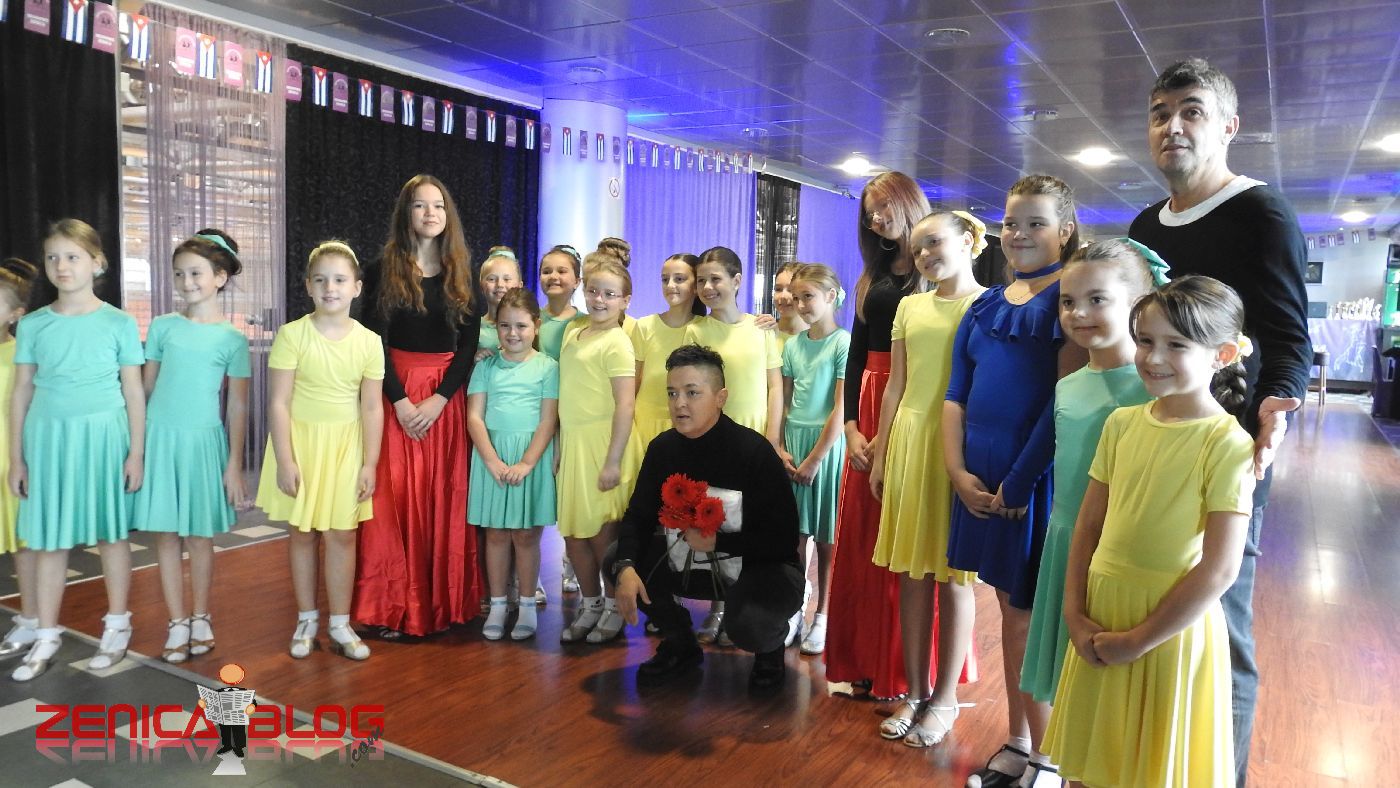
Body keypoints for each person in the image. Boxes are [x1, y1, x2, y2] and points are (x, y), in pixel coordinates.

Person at [1127, 59, 1309, 784]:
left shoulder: (1262, 213)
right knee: (1150, 598)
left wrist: (1276, 402)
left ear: (1229, 126)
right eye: (1160, 112)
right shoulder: (1146, 225)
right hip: (1151, 438)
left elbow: (1287, 335)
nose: (1172, 125)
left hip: (1227, 446)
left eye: (1191, 111)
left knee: (1222, 614)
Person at [1045, 276, 1257, 787]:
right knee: (1089, 763)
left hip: (1168, 626)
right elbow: (1088, 525)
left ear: (1222, 354)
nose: (1153, 357)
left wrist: (1138, 640)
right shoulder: (1120, 424)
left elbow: (1220, 569)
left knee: (1152, 766)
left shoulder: (1227, 444)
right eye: (1145, 340)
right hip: (1102, 611)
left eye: (1176, 345)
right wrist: (1074, 611)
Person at [943, 175, 1081, 782]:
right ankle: (1021, 741)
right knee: (1006, 607)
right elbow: (956, 394)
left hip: (1032, 477)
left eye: (1035, 223)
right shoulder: (985, 305)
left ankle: (1048, 758)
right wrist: (956, 471)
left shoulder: (1071, 300)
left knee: (1029, 614)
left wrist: (1020, 482)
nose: (1019, 234)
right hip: (978, 474)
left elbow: (1063, 403)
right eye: (1010, 223)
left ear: (1065, 231)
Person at [1021, 239, 1162, 707]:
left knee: (1111, 689)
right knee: (1064, 680)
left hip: (1123, 549)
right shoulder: (1068, 386)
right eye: (1068, 301)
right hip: (1067, 539)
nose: (1078, 313)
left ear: (1138, 304)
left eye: (1097, 299)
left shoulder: (1153, 390)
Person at [612, 344, 803, 689]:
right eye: (672, 393)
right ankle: (680, 643)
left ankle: (769, 647)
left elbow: (783, 539)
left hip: (760, 567)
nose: (679, 403)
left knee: (749, 623)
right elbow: (638, 515)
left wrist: (721, 541)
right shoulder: (662, 449)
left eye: (692, 392)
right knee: (617, 559)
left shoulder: (753, 451)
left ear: (720, 397)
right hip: (690, 560)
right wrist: (625, 565)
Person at [867, 211, 985, 746]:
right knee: (912, 573)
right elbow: (896, 385)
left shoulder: (988, 305)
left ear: (967, 241)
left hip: (962, 443)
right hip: (912, 441)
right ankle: (914, 692)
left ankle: (945, 698)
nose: (924, 256)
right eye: (917, 249)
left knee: (954, 577)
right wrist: (882, 453)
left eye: (934, 242)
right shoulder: (910, 306)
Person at [9, 220, 145, 681]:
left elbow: (133, 391)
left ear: (96, 262)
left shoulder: (119, 322)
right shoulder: (34, 324)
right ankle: (46, 633)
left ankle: (118, 625)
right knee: (49, 537)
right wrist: (17, 458)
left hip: (105, 437)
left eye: (72, 256)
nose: (61, 266)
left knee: (111, 534)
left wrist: (136, 453)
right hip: (48, 438)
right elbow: (22, 391)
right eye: (53, 257)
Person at [353, 175, 482, 639]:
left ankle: (441, 606)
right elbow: (373, 343)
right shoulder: (381, 270)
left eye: (438, 206)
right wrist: (402, 401)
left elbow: (467, 346)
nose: (430, 213)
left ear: (448, 216)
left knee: (443, 500)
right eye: (420, 205)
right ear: (405, 213)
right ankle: (393, 607)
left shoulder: (461, 272)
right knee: (396, 502)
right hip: (396, 397)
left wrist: (440, 399)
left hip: (443, 402)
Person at [825, 170, 930, 699]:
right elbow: (856, 359)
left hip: (914, 403)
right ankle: (865, 659)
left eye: (884, 207)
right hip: (868, 404)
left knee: (904, 538)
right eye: (870, 213)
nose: (877, 219)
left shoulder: (933, 275)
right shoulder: (872, 278)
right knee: (863, 539)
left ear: (908, 204)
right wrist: (849, 426)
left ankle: (904, 669)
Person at [256, 241, 384, 661]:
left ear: (356, 288)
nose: (331, 288)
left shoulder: (369, 341)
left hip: (346, 447)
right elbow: (278, 402)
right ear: (309, 286)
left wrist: (370, 463)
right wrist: (286, 459)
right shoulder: (292, 335)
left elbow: (371, 406)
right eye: (321, 280)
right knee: (303, 532)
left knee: (342, 534)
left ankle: (340, 622)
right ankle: (306, 619)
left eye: (340, 280)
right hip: (301, 445)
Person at [132, 230, 251, 664]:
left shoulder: (232, 339)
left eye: (196, 273)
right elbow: (145, 389)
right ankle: (176, 621)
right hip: (161, 440)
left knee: (200, 537)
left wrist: (233, 463)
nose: (186, 281)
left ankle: (201, 616)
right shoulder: (162, 326)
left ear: (220, 277)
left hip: (203, 444)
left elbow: (237, 405)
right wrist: (135, 447)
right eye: (179, 273)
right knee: (165, 536)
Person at [684, 246, 783, 644]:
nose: (708, 287)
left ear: (737, 281)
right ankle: (718, 605)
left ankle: (746, 606)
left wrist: (771, 439)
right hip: (715, 440)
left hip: (755, 438)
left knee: (752, 526)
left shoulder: (761, 329)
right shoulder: (696, 330)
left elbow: (775, 388)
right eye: (702, 281)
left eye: (716, 279)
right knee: (717, 524)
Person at [467, 289, 558, 641]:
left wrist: (526, 462)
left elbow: (548, 420)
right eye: (505, 326)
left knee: (526, 534)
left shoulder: (548, 367)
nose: (513, 333)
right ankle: (498, 604)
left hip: (529, 458)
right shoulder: (486, 367)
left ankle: (528, 605)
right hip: (492, 457)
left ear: (536, 325)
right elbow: (474, 417)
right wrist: (491, 459)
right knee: (496, 534)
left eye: (521, 326)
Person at [556, 258, 637, 644]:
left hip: (604, 445)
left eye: (609, 294)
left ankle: (613, 606)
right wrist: (559, 444)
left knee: (603, 536)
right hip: (574, 445)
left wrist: (613, 461)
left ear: (625, 301)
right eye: (593, 291)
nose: (599, 299)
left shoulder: (618, 342)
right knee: (573, 534)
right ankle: (589, 603)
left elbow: (625, 404)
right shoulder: (573, 333)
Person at [777, 264, 848, 655]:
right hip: (795, 442)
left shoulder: (842, 343)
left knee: (825, 535)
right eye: (797, 297)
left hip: (826, 447)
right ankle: (793, 609)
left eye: (809, 296)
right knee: (795, 535)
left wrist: (816, 459)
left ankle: (823, 614)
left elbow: (840, 407)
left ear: (831, 296)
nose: (801, 304)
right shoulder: (792, 345)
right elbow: (786, 401)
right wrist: (781, 446)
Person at [0, 259, 38, 660]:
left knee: (22, 545)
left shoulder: (22, 356)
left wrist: (20, 462)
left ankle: (31, 619)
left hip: (10, 463)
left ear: (15, 314)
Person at [632, 253, 705, 452]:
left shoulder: (706, 327)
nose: (670, 285)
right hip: (644, 422)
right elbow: (634, 382)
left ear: (696, 286)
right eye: (665, 279)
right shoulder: (644, 326)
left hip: (688, 424)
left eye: (679, 279)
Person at [538, 244, 582, 361]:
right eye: (546, 272)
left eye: (561, 271)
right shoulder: (530, 318)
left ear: (577, 281)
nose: (553, 276)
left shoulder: (586, 323)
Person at [477, 247, 522, 354]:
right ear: (481, 286)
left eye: (507, 279)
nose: (500, 285)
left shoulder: (528, 326)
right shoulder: (474, 328)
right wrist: (474, 359)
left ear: (519, 286)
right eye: (492, 279)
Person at [772, 262, 808, 354]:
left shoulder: (818, 339)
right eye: (778, 289)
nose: (783, 296)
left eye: (791, 290)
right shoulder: (764, 334)